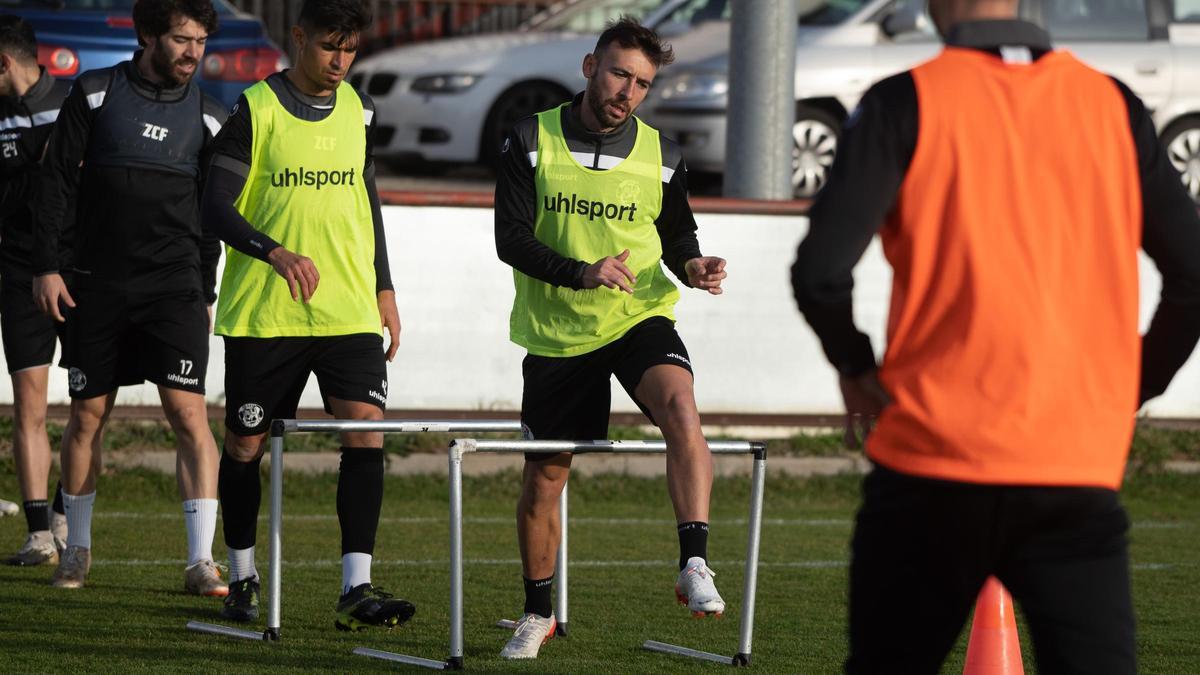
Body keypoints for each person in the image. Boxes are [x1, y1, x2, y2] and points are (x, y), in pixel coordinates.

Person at [790, 0, 1200, 671]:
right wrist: (1134, 383)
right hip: (1071, 468)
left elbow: (820, 275)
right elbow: (1193, 277)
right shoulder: (1112, 105)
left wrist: (856, 369)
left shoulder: (905, 100)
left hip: (930, 468)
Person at [494, 17, 728, 660]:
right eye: (620, 73)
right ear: (591, 64)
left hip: (637, 315)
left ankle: (694, 563)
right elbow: (509, 239)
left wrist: (693, 267)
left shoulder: (664, 154)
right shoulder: (529, 138)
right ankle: (537, 613)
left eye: (642, 83)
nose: (628, 91)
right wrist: (581, 272)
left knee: (681, 405)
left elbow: (679, 236)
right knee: (545, 477)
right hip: (557, 330)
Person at [201, 0, 408, 631]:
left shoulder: (358, 108)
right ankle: (241, 575)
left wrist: (385, 288)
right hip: (267, 315)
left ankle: (357, 586)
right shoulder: (253, 109)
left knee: (365, 429)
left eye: (350, 49)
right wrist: (275, 251)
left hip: (346, 308)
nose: (341, 61)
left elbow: (364, 199)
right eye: (329, 47)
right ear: (299, 38)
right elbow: (213, 206)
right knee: (245, 443)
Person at [32, 0, 229, 596]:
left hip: (174, 288)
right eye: (180, 39)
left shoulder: (213, 115)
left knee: (188, 413)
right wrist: (48, 267)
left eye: (200, 41)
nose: (193, 52)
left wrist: (204, 288)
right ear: (147, 35)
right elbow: (56, 182)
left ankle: (201, 561)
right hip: (96, 283)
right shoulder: (94, 93)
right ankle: (78, 551)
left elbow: (210, 214)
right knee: (88, 414)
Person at [0, 14, 71, 566]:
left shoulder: (73, 105)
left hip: (76, 273)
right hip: (18, 274)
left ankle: (72, 519)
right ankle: (39, 533)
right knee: (29, 403)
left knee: (89, 407)